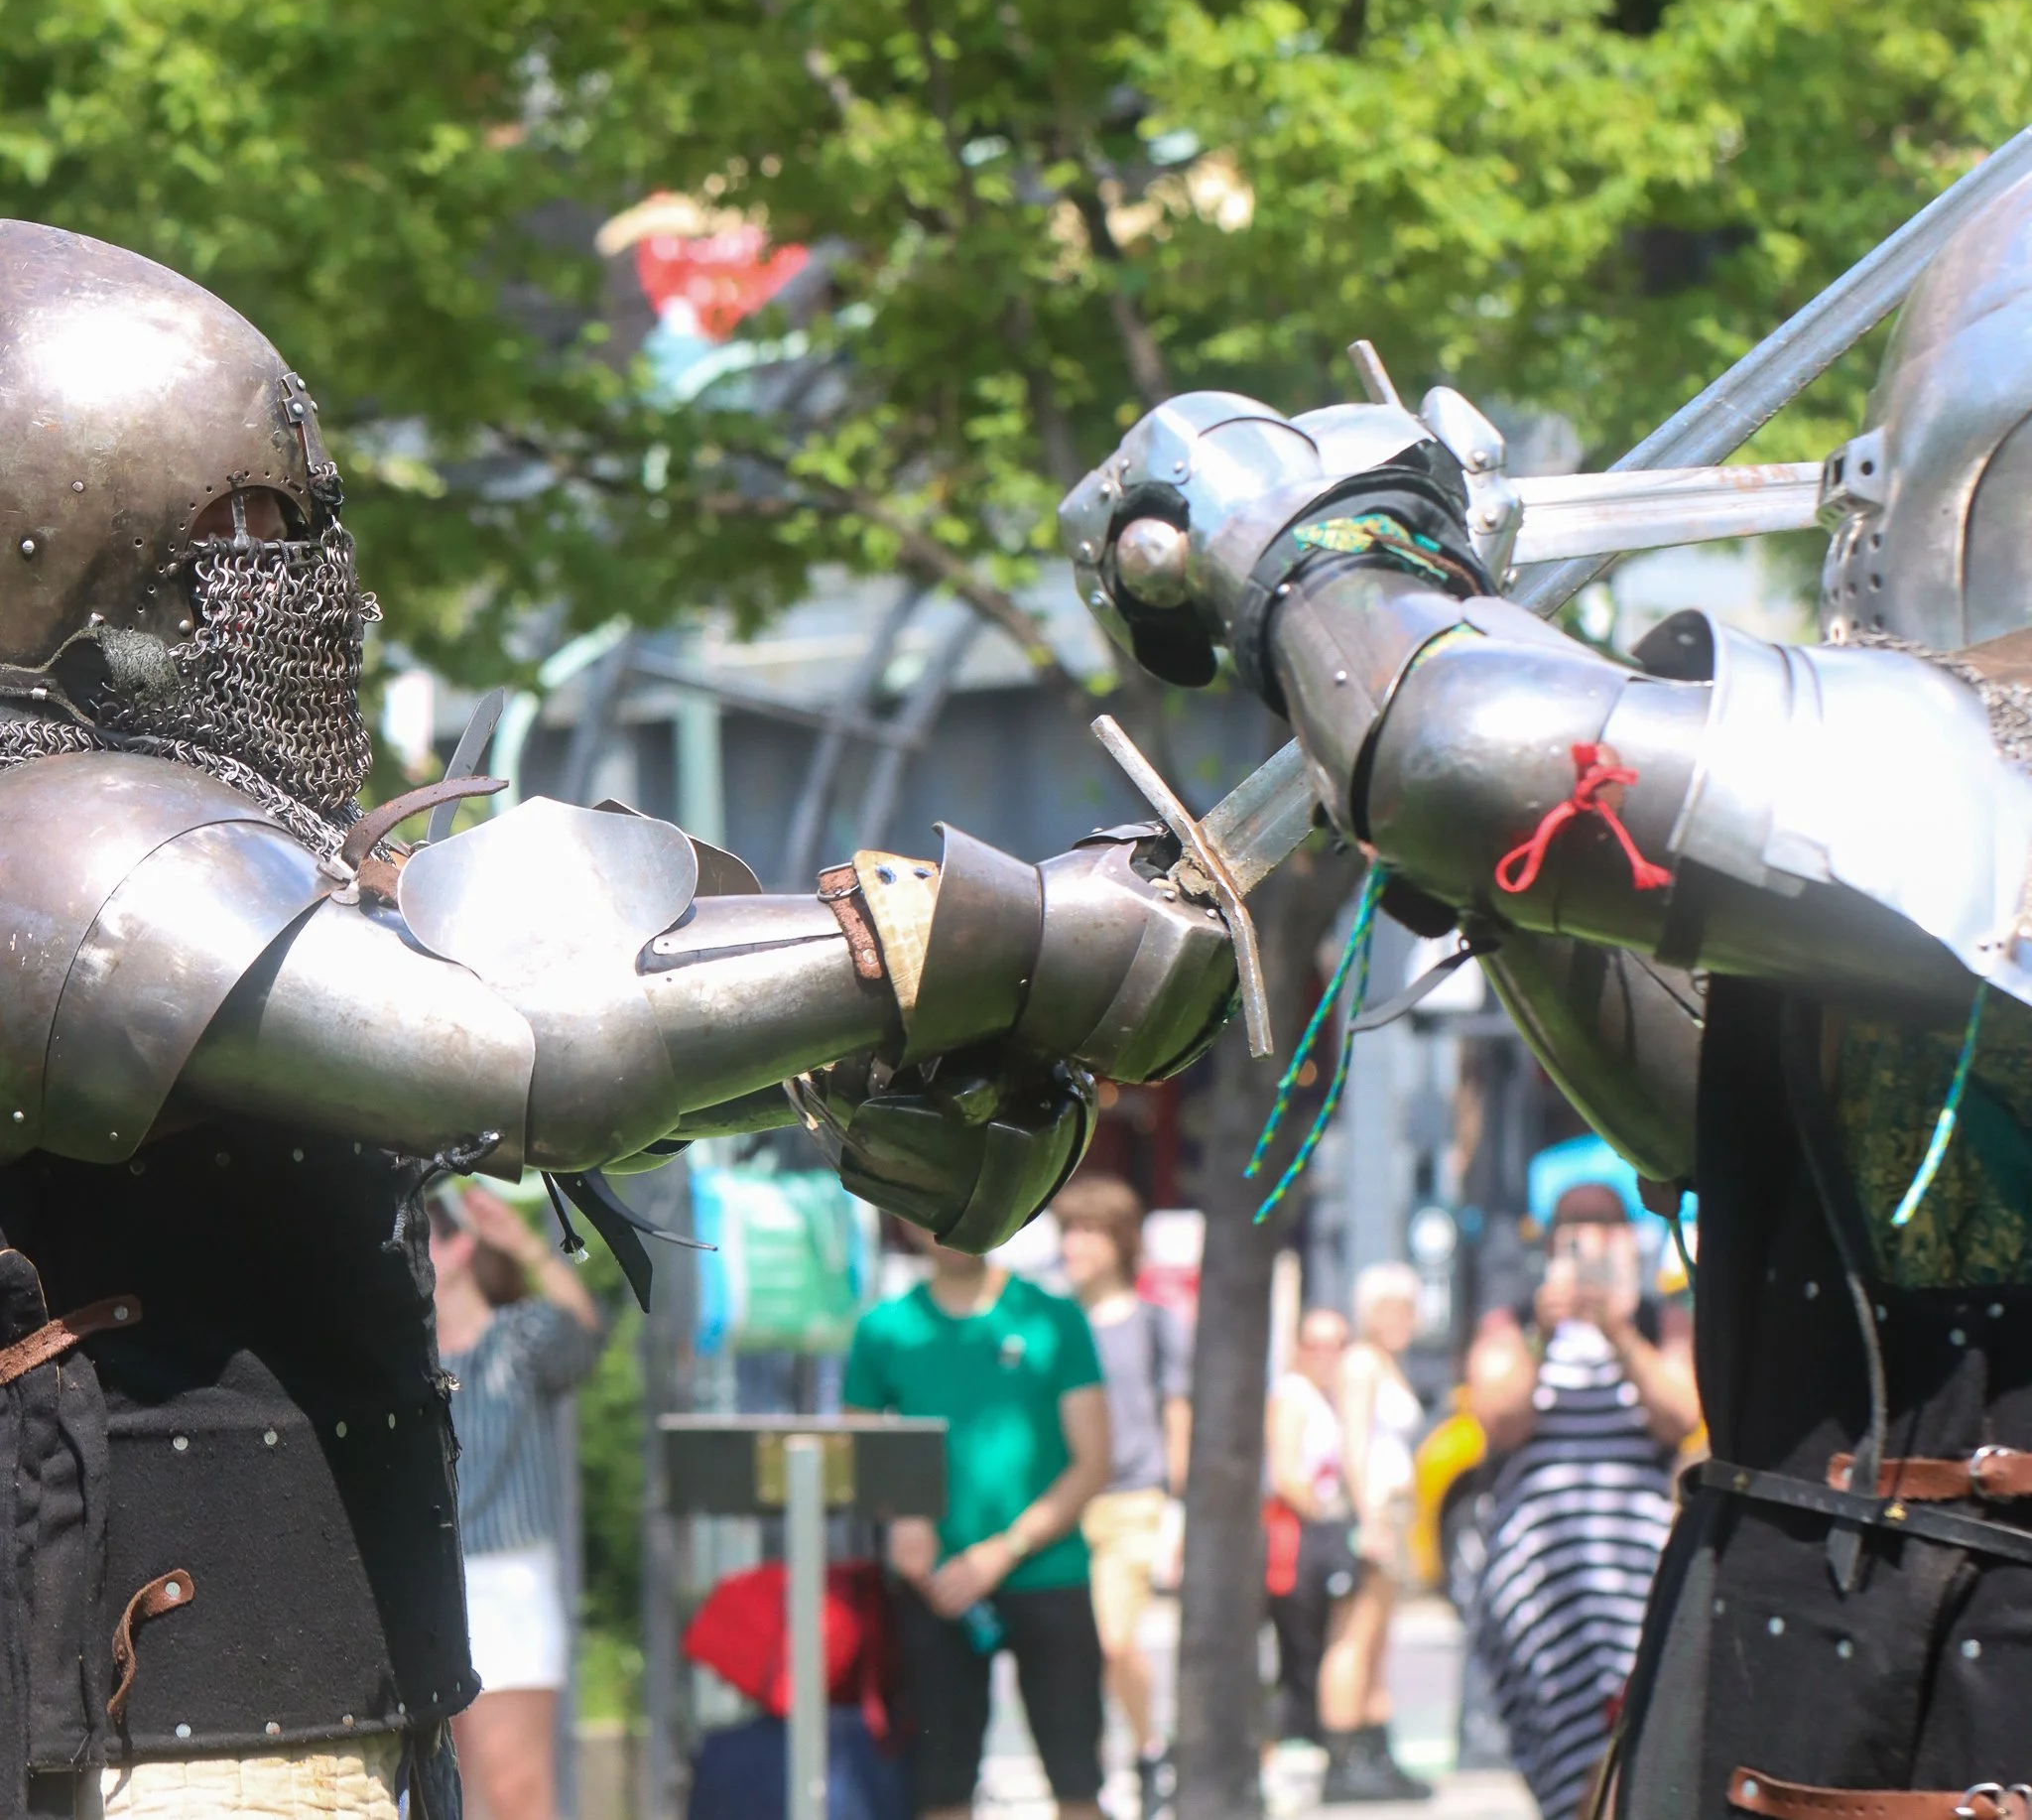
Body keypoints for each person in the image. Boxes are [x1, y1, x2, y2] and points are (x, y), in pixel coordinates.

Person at [0, 220, 1244, 1819]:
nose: (308, 583)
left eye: (302, 526)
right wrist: (944, 945)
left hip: (310, 1682)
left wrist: (870, 1058)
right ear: (53, 537)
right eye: (242, 532)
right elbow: (522, 1053)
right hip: (160, 1707)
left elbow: (506, 1070)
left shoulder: (228, 855)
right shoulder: (58, 845)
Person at [1064, 175, 2032, 1813]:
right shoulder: (1922, 856)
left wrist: (1323, 549)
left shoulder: (1959, 806)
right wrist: (1519, 900)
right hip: (1814, 1624)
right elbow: (1711, 1105)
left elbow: (1459, 748)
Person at [843, 1224, 1112, 1820]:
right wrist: (901, 1521)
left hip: (1050, 1573)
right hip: (933, 1585)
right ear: (907, 1221)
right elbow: (856, 1450)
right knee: (942, 1784)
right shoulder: (884, 1328)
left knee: (1076, 1780)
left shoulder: (1052, 1317)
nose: (949, 1227)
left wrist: (1006, 1549)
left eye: (968, 1207)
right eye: (932, 1210)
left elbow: (1092, 1460)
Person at [1466, 1168, 1698, 1820]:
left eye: (1606, 1229)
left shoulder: (1659, 1322)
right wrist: (1544, 1336)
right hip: (1543, 1581)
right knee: (1566, 1749)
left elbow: (1682, 1416)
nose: (1592, 1245)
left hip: (1635, 1581)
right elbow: (1498, 1417)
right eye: (1576, 1232)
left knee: (1634, 1738)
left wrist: (1621, 1333)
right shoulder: (1512, 1320)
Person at [428, 1186, 604, 1820]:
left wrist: (526, 1243)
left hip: (509, 1577)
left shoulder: (518, 1336)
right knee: (452, 1793)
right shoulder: (405, 1365)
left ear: (457, 1246)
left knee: (517, 1789)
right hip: (428, 1586)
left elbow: (585, 1334)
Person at [1052, 1175, 1192, 1818]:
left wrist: (1177, 1505)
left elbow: (1176, 1412)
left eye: (1089, 1231)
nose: (1076, 1244)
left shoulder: (1153, 1321)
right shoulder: (1053, 1323)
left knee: (1114, 1640)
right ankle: (1109, 1769)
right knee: (1075, 1652)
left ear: (1120, 1240)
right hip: (1066, 1505)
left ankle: (1149, 1748)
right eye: (1069, 1231)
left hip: (1135, 1499)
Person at [1334, 1263, 1430, 1803]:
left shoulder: (1387, 1364)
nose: (1406, 1320)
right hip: (1373, 1508)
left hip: (1394, 1507)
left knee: (1379, 1635)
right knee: (1357, 1633)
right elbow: (1353, 1443)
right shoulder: (1361, 1363)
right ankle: (1346, 1753)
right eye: (1395, 1308)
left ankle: (1375, 1750)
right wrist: (1368, 1517)